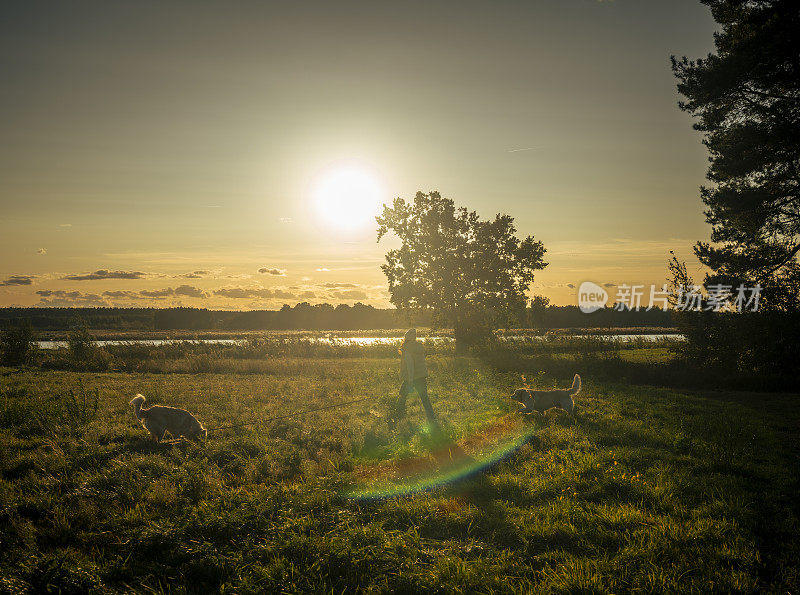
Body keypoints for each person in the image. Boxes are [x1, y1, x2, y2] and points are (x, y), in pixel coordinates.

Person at [390, 328, 435, 426]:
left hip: (411, 377)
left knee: (402, 396)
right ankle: (432, 418)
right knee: (424, 398)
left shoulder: (408, 348)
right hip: (421, 377)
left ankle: (398, 416)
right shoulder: (419, 347)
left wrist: (410, 381)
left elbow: (410, 366)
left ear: (406, 337)